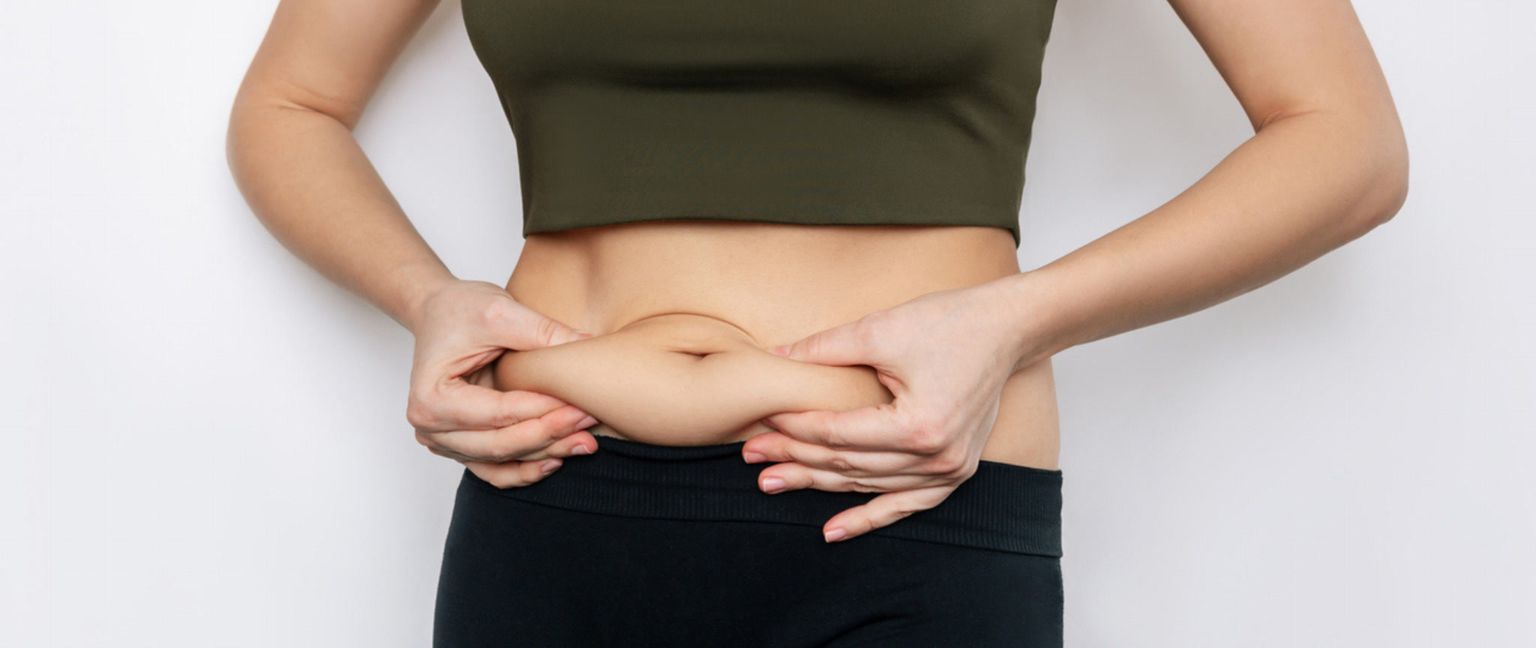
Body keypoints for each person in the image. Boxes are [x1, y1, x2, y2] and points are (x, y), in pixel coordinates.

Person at [226, 0, 1408, 645]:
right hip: (554, 508)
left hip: (908, 510)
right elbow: (291, 103)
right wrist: (425, 299)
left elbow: (1344, 141)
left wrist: (1015, 323)